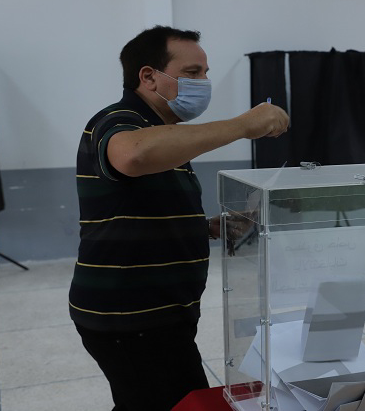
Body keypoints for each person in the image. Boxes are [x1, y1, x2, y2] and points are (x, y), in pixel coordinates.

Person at [68, 26, 289, 411]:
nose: (203, 82)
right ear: (148, 76)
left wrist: (206, 227)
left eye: (205, 72)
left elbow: (138, 207)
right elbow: (133, 156)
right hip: (131, 317)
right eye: (191, 72)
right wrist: (244, 124)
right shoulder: (118, 120)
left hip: (159, 313)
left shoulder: (161, 133)